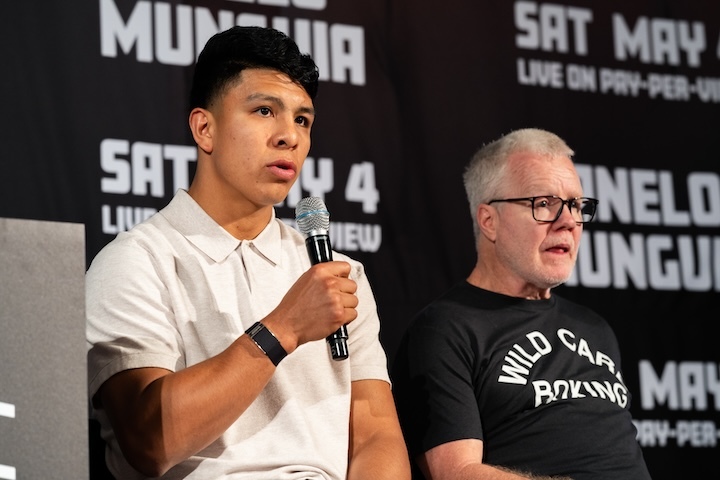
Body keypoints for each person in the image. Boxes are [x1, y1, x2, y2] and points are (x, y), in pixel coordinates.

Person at [86, 26, 410, 480]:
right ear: (205, 128)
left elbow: (377, 437)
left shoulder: (338, 273)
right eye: (264, 111)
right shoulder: (136, 261)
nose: (289, 136)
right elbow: (149, 442)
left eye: (303, 120)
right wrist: (283, 329)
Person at [391, 128, 651, 480]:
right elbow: (456, 472)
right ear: (489, 221)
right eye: (543, 204)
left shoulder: (594, 327)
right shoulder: (444, 331)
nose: (568, 222)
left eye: (576, 205)